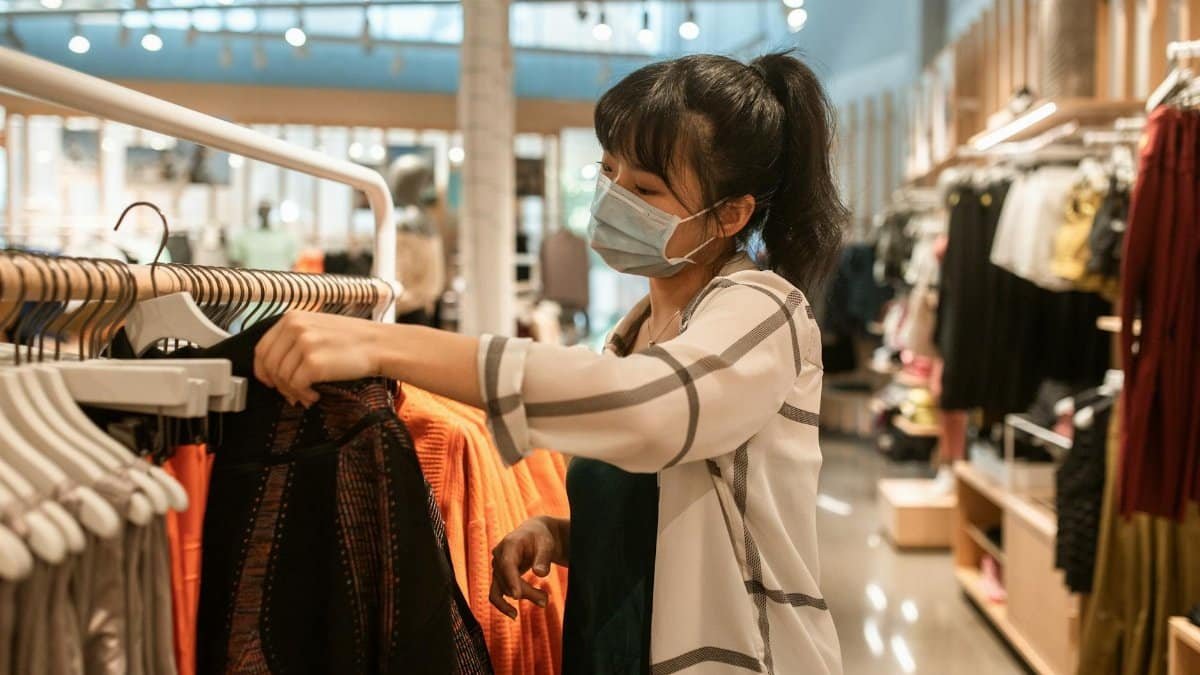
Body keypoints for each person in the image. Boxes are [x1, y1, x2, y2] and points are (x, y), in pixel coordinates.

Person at [253, 50, 847, 675]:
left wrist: (386, 346)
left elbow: (650, 410)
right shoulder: (637, 333)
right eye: (609, 172)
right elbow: (662, 520)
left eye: (645, 189)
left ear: (731, 213)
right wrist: (562, 535)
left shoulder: (763, 311)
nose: (615, 199)